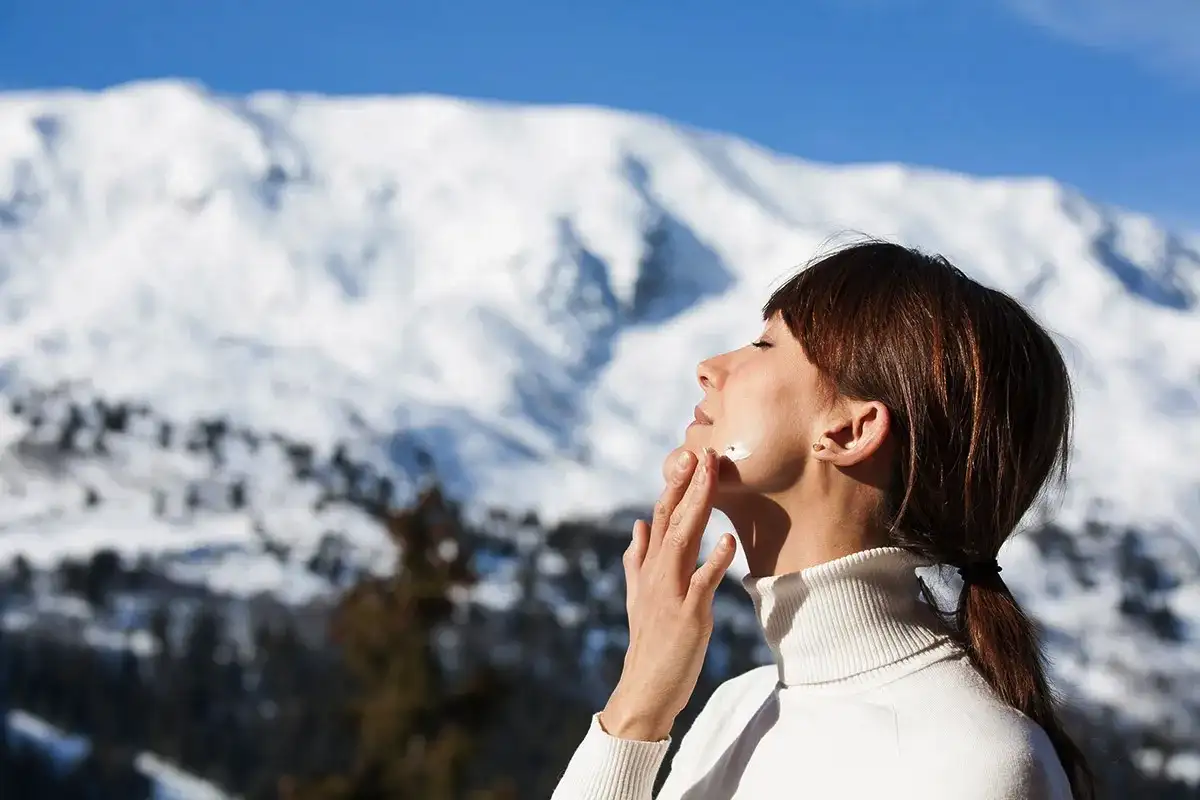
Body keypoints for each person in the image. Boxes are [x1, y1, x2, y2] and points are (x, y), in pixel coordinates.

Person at [551, 241, 1094, 800]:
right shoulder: (734, 710)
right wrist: (637, 706)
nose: (709, 368)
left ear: (851, 431)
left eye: (764, 345)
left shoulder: (970, 765)